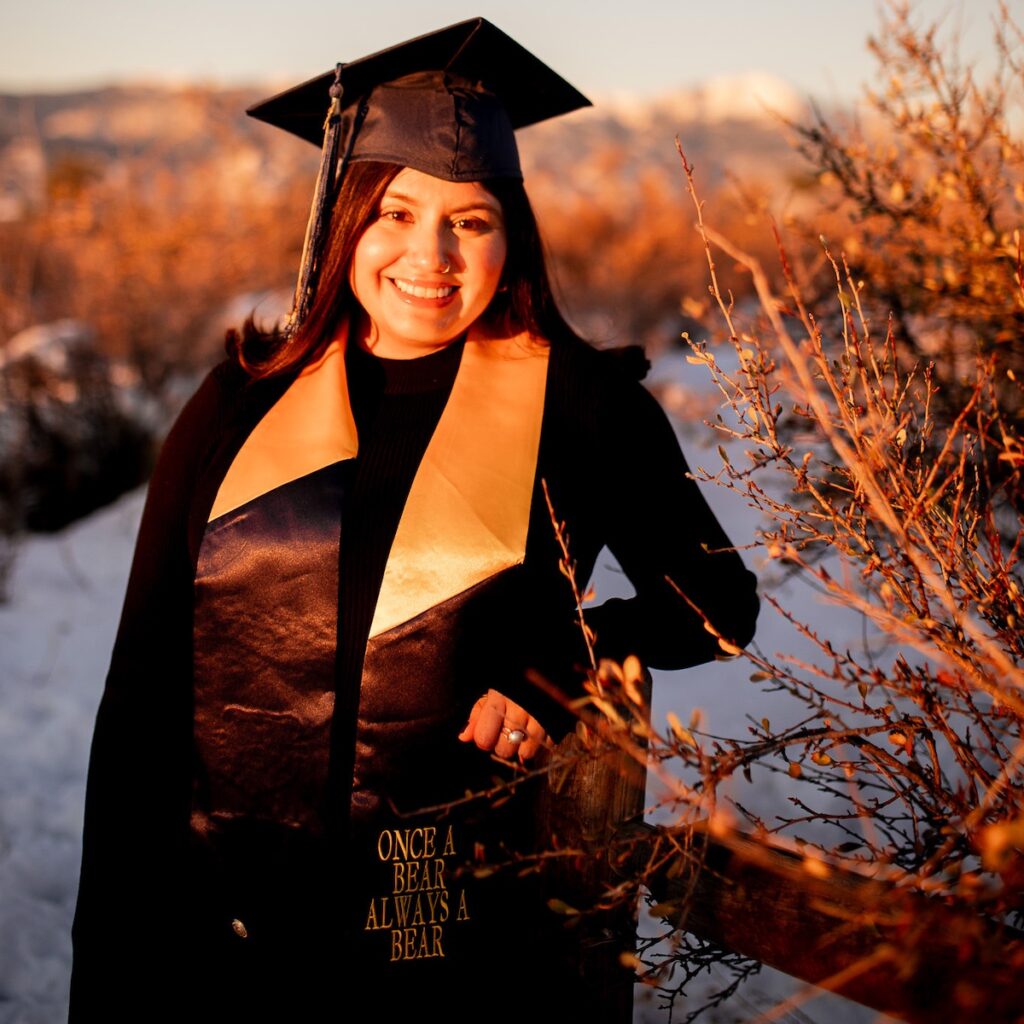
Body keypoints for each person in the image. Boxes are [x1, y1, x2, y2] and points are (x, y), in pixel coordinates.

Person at [70, 18, 759, 1023]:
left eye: (469, 221)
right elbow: (142, 692)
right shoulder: (239, 401)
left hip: (450, 934)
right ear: (347, 219)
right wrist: (113, 954)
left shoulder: (584, 408)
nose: (428, 255)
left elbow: (718, 604)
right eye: (395, 212)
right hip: (220, 927)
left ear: (509, 231)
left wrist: (571, 655)